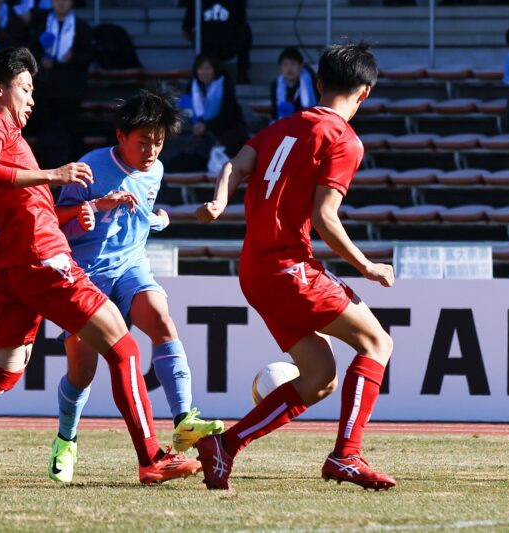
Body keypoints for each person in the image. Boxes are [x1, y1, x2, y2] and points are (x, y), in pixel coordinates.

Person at [0, 47, 201, 486]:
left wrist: (88, 206)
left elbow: (22, 199)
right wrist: (54, 175)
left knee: (2, 373)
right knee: (125, 349)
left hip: (14, 260)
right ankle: (151, 458)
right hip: (42, 255)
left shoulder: (2, 134)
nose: (31, 99)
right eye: (25, 88)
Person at [194, 42, 396, 491]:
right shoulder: (343, 139)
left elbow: (233, 166)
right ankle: (346, 456)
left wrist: (219, 202)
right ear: (365, 92)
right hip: (288, 268)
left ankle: (224, 447)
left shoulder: (281, 126)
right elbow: (325, 217)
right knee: (376, 342)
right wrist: (366, 265)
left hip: (254, 271)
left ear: (319, 82)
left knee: (320, 377)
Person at [48, 90, 223, 483]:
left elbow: (140, 212)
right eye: (143, 142)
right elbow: (53, 218)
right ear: (120, 136)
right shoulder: (89, 168)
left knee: (161, 320)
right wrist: (91, 209)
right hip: (86, 273)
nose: (151, 151)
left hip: (131, 266)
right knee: (82, 370)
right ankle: (66, 439)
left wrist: (158, 219)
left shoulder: (155, 170)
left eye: (158, 142)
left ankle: (183, 419)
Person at [28, 0, 93, 168]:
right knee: (46, 132)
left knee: (70, 131)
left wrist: (74, 57)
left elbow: (89, 55)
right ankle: (46, 168)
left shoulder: (81, 27)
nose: (61, 3)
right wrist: (41, 61)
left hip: (70, 90)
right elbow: (30, 52)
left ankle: (71, 168)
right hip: (45, 90)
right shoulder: (41, 26)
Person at [181, 0, 252, 84]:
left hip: (225, 45)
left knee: (245, 31)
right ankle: (241, 73)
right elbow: (187, 28)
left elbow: (241, 20)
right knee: (244, 30)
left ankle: (241, 72)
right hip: (212, 47)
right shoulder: (196, 1)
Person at [270, 47, 319, 121]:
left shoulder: (311, 83)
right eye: (285, 64)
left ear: (301, 66)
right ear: (280, 67)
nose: (289, 68)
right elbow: (275, 113)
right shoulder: (276, 86)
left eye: (293, 64)